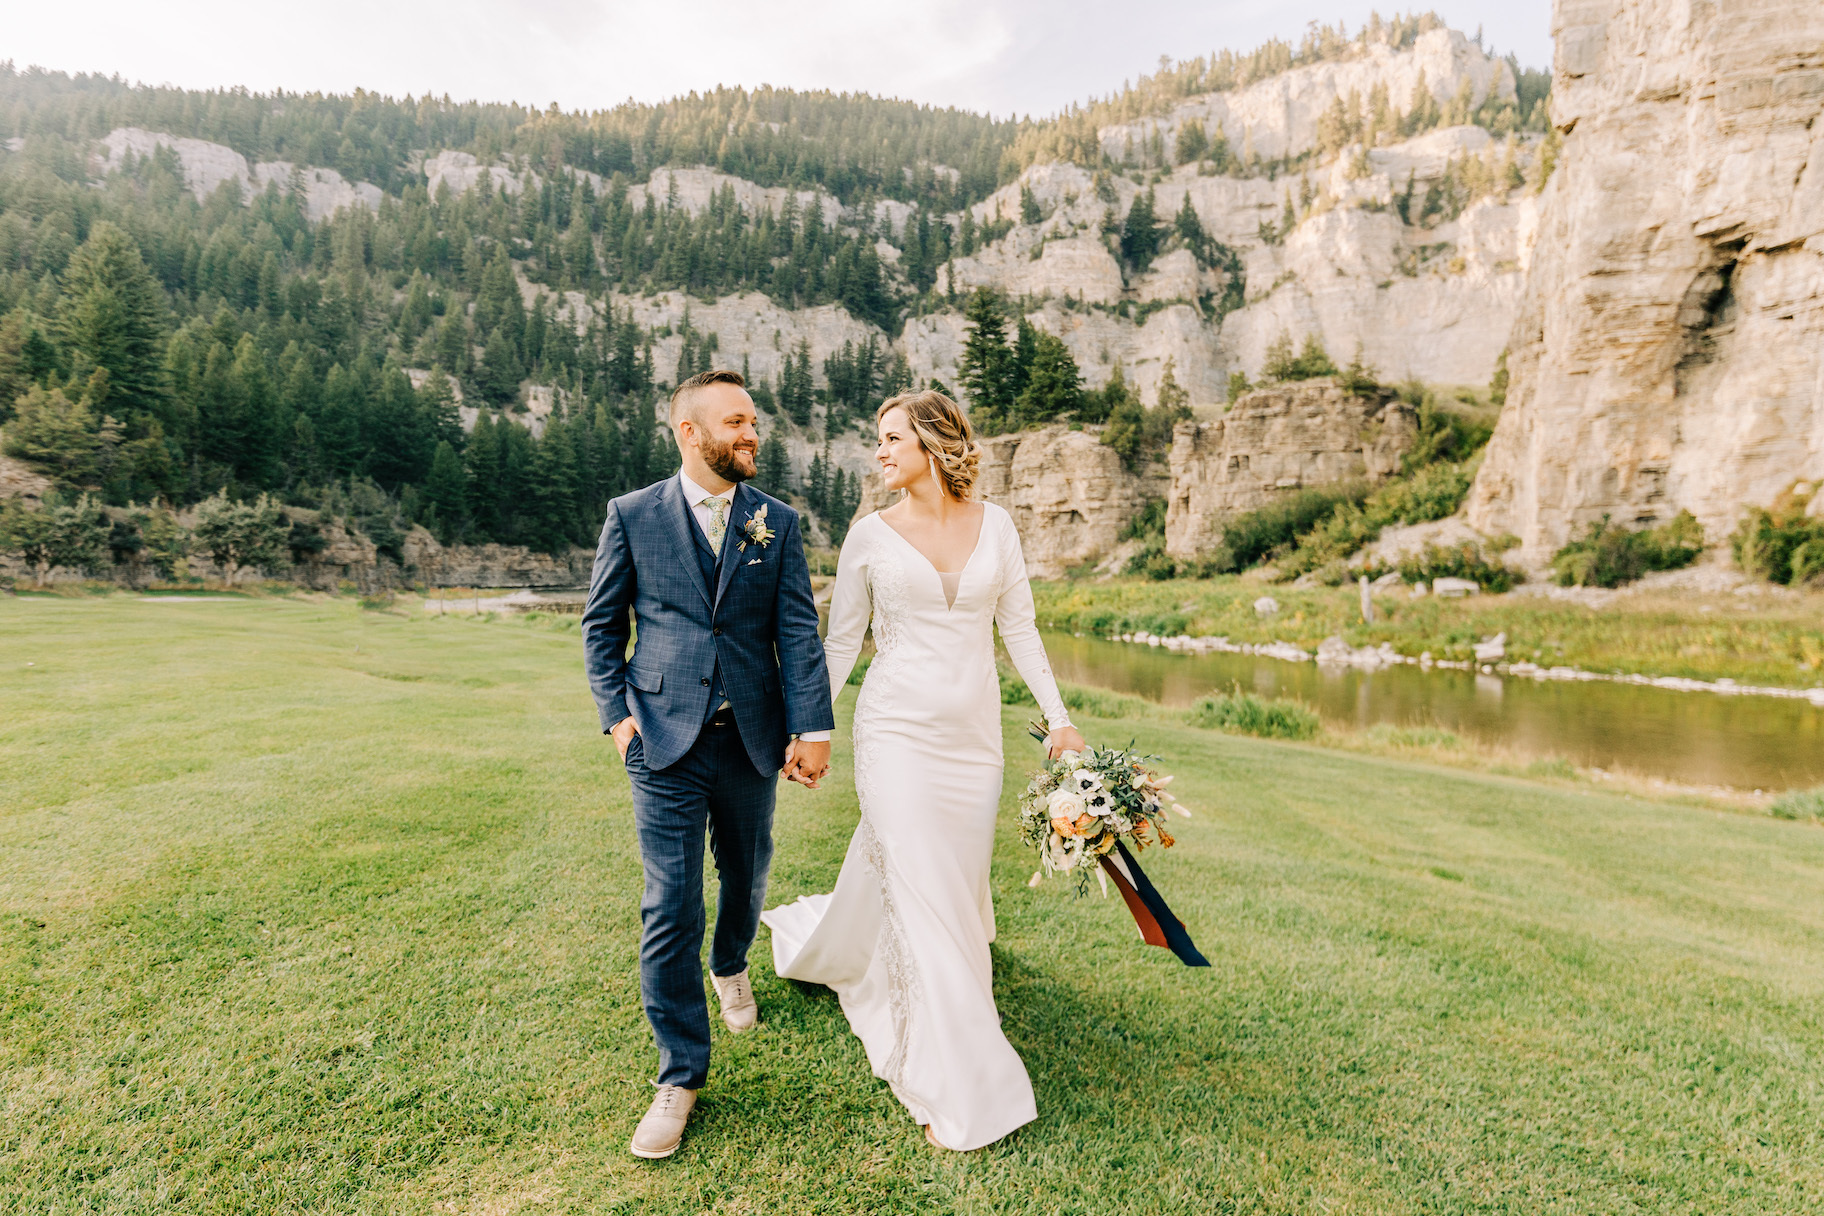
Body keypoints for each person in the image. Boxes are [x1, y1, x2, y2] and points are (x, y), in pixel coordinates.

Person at [761, 389, 1087, 1152]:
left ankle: (866, 957)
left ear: (936, 444)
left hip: (974, 743)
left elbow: (1021, 630)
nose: (878, 452)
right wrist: (809, 726)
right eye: (878, 439)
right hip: (895, 735)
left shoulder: (997, 525)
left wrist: (1060, 718)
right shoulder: (869, 536)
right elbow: (840, 643)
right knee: (928, 895)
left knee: (954, 886)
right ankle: (961, 1082)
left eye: (891, 438)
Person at [581, 369, 834, 1160]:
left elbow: (795, 631)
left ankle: (731, 964)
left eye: (754, 420)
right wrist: (620, 722)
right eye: (736, 422)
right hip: (660, 738)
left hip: (752, 737)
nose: (752, 433)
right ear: (690, 434)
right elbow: (599, 629)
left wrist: (813, 726)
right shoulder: (633, 516)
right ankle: (680, 1076)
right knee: (670, 903)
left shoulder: (777, 523)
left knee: (749, 873)